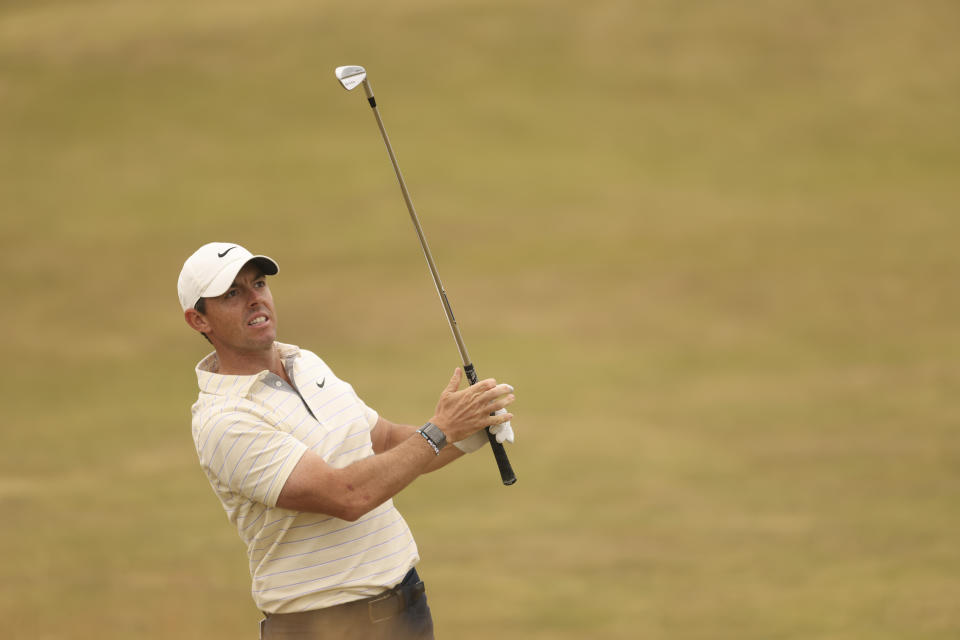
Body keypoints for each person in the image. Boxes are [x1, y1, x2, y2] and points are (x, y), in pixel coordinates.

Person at [177, 242, 516, 639]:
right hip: (323, 627)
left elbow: (387, 442)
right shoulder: (224, 420)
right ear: (199, 320)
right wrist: (440, 430)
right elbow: (346, 496)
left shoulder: (306, 363)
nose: (255, 299)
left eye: (258, 283)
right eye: (233, 294)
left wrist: (468, 433)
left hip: (406, 608)